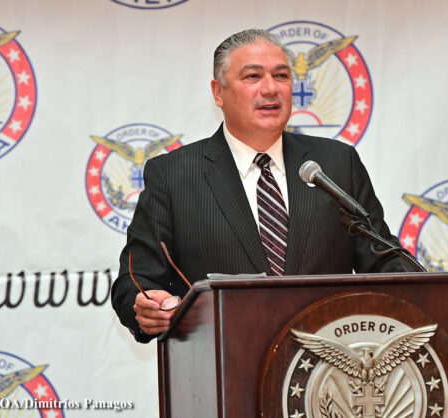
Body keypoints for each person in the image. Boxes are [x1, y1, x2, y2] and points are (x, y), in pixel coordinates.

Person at [111, 29, 416, 343]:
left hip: (328, 360)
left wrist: (425, 289)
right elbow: (136, 281)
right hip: (223, 358)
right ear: (218, 93)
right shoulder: (174, 174)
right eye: (253, 76)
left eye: (281, 76)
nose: (271, 88)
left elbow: (383, 260)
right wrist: (148, 305)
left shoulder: (336, 163)